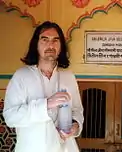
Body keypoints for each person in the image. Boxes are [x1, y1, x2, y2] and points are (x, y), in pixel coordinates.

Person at [3, 21, 84, 152]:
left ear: (61, 46)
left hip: (65, 148)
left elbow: (77, 111)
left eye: (55, 40)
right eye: (44, 39)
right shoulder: (21, 76)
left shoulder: (68, 77)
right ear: (36, 44)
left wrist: (75, 126)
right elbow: (11, 117)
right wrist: (46, 105)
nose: (50, 45)